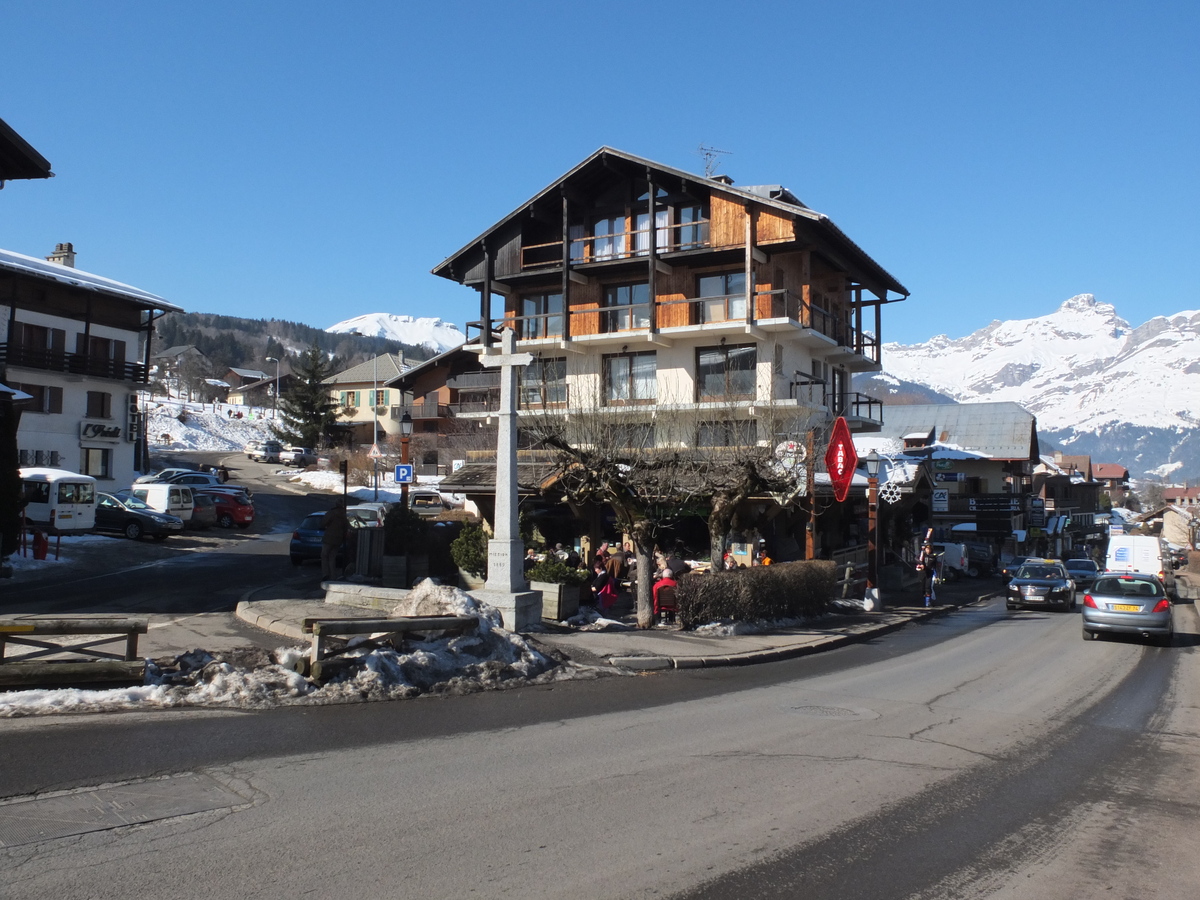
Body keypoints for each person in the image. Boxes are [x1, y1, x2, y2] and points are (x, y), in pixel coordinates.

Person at [321, 500, 349, 580]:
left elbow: (323, 523)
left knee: (324, 555)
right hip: (338, 539)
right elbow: (346, 526)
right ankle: (333, 576)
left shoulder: (332, 512)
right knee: (332, 557)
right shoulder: (343, 515)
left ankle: (325, 574)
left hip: (329, 538)